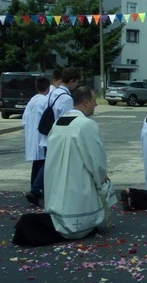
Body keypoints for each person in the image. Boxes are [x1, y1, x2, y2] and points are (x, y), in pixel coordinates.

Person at [12, 87, 114, 246]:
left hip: (57, 181)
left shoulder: (58, 122)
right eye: (94, 101)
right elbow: (95, 158)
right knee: (81, 215)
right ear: (86, 102)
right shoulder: (87, 125)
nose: (96, 105)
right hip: (78, 181)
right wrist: (101, 178)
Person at [26, 67, 81, 207]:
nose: (76, 86)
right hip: (58, 136)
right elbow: (66, 119)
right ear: (72, 81)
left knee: (48, 164)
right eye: (76, 82)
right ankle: (36, 190)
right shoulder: (67, 98)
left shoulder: (52, 93)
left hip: (47, 135)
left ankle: (38, 190)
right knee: (52, 165)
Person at [22, 77, 51, 189]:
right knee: (43, 163)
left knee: (37, 163)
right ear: (48, 88)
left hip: (32, 136)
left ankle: (34, 188)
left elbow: (24, 121)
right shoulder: (45, 101)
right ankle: (37, 188)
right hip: (42, 136)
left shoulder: (31, 101)